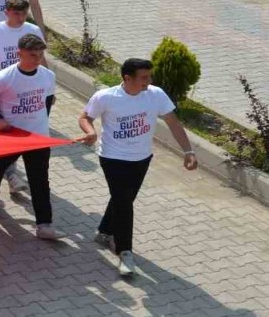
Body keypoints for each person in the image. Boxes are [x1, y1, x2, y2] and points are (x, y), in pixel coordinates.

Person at [76, 58, 199, 277]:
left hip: (142, 158)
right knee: (124, 202)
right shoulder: (106, 97)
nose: (149, 81)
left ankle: (104, 231)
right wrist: (91, 132)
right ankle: (125, 252)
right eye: (144, 77)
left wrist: (188, 151)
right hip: (112, 157)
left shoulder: (156, 95)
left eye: (149, 76)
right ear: (127, 78)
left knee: (123, 199)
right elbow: (86, 116)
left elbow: (173, 123)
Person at [0, 34, 61, 240]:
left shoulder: (48, 76)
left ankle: (44, 225)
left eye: (40, 54)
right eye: (33, 55)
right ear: (19, 53)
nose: (37, 59)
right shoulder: (5, 77)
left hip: (38, 137)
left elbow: (47, 101)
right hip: (11, 136)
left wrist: (40, 125)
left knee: (40, 181)